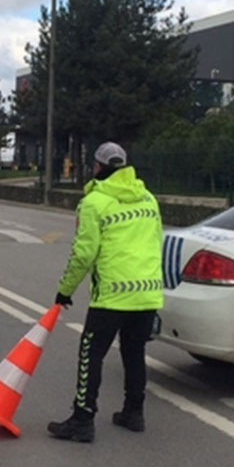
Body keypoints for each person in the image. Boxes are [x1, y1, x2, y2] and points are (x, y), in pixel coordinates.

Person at [47, 142, 163, 443]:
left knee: (90, 353)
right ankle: (134, 413)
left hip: (112, 295)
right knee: (134, 352)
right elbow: (155, 242)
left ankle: (83, 419)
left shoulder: (94, 202)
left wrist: (65, 290)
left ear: (97, 167)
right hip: (147, 293)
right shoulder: (149, 199)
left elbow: (83, 254)